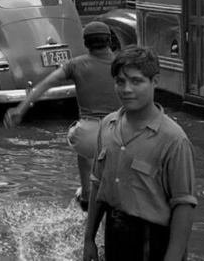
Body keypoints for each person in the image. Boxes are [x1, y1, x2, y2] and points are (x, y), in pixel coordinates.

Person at [83, 46, 196, 261]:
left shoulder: (173, 139)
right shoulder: (108, 126)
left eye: (136, 81)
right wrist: (89, 239)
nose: (127, 89)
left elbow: (184, 205)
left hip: (154, 242)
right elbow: (98, 184)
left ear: (155, 81)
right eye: (120, 82)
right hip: (115, 235)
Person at [4, 21, 120, 211]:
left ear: (86, 44)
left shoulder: (75, 64)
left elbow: (45, 84)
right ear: (109, 41)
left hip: (88, 135)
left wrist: (20, 109)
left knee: (79, 136)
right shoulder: (121, 64)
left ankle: (86, 192)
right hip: (120, 132)